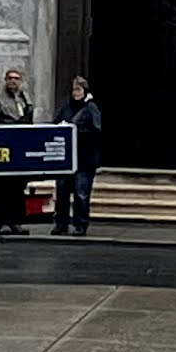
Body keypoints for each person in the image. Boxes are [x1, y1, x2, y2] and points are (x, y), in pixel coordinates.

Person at [62, 72, 104, 238]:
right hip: (69, 158)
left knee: (81, 193)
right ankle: (63, 223)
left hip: (85, 159)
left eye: (78, 89)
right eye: (73, 90)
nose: (75, 93)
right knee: (64, 191)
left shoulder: (90, 108)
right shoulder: (68, 107)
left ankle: (81, 224)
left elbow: (97, 129)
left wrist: (78, 132)